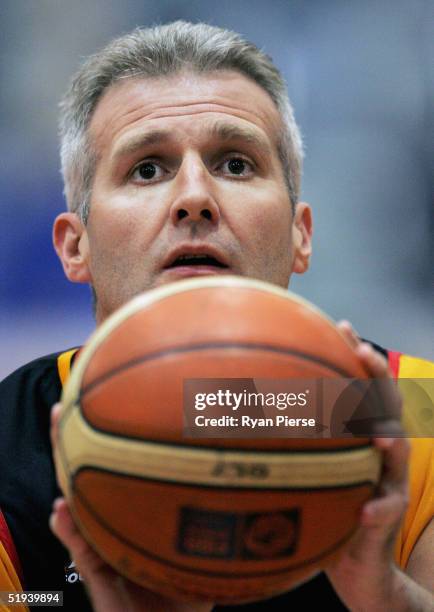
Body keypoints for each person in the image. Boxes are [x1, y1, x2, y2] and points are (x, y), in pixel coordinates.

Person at [0, 21, 432, 612]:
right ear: (77, 246)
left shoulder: (409, 405)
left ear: (299, 234)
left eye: (235, 164)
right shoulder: (5, 442)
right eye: (147, 169)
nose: (195, 196)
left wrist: (384, 596)